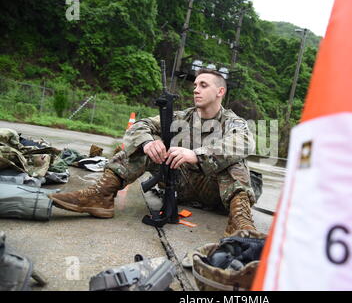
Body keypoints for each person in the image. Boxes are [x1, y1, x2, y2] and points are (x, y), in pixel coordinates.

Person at [48, 69, 258, 236]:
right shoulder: (182, 117)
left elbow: (243, 142)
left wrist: (197, 155)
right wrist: (148, 142)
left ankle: (240, 222)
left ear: (220, 92)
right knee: (150, 144)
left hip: (217, 192)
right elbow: (140, 125)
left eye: (203, 85)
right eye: (195, 85)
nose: (196, 90)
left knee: (235, 161)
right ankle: (100, 196)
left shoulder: (233, 121)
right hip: (181, 184)